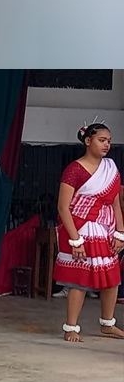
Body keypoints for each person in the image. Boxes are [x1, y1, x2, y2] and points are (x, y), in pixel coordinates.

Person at [54, 121, 124, 341]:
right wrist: (75, 240)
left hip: (105, 228)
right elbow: (63, 207)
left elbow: (114, 203)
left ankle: (107, 323)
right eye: (102, 140)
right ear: (88, 141)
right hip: (80, 228)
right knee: (80, 279)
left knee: (112, 277)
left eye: (109, 141)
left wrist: (120, 233)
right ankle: (71, 327)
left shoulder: (110, 168)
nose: (106, 145)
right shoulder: (74, 170)